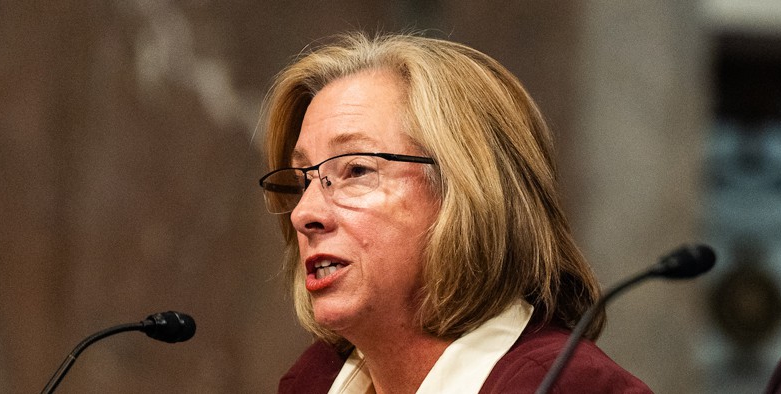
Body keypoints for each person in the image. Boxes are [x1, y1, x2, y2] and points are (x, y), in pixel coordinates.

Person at [259, 31, 651, 393]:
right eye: (302, 181)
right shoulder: (315, 380)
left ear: (468, 192)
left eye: (357, 170)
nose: (303, 213)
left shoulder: (569, 386)